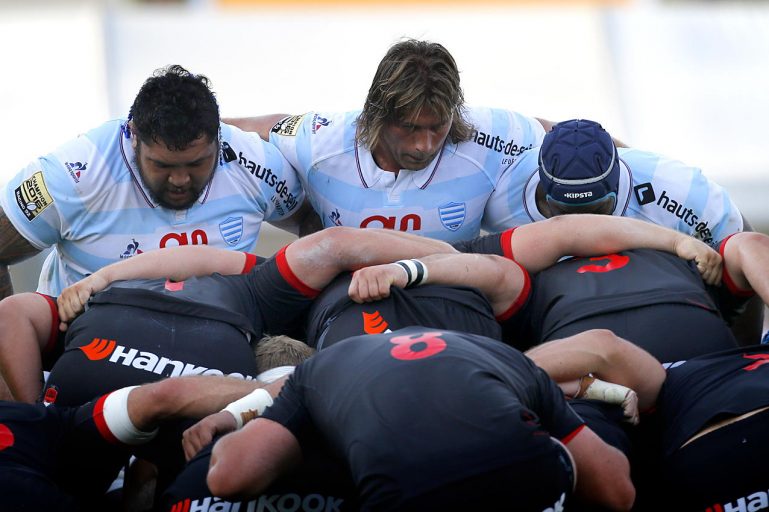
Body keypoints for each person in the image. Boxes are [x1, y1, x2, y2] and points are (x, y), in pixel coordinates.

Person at [205, 326, 635, 511]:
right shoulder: (501, 355)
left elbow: (232, 477)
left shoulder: (315, 373)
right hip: (519, 466)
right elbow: (617, 491)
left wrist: (228, 428)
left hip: (410, 486)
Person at [22, 227, 452, 407]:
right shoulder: (259, 287)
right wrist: (432, 263)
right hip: (106, 404)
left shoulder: (296, 342)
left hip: (126, 414)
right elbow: (335, 244)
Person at [0, 64, 305, 300]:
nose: (180, 179)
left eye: (197, 163)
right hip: (88, 345)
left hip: (217, 338)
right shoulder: (74, 175)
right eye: (162, 165)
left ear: (219, 139)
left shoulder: (255, 161)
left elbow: (314, 226)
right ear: (133, 138)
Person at [226, 38, 552, 242]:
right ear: (377, 113)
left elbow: (576, 138)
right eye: (410, 128)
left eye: (437, 127)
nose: (424, 144)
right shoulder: (320, 140)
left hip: (450, 298)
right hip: (353, 299)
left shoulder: (489, 131)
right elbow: (249, 129)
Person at [482, 118, 764, 345]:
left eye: (599, 208)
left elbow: (741, 252)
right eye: (564, 213)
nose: (583, 225)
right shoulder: (499, 198)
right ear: (542, 192)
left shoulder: (675, 189)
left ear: (619, 184)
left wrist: (743, 347)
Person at [307, 214, 721, 351]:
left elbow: (565, 231)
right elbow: (335, 242)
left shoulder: (475, 256)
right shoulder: (321, 277)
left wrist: (677, 240)